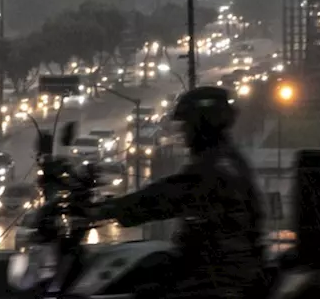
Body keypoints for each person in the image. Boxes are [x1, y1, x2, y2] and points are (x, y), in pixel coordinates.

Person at [89, 85, 265, 299]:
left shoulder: (214, 169)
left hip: (217, 278)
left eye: (187, 125)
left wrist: (108, 209)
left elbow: (167, 196)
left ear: (203, 125)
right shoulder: (227, 160)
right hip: (212, 267)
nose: (183, 133)